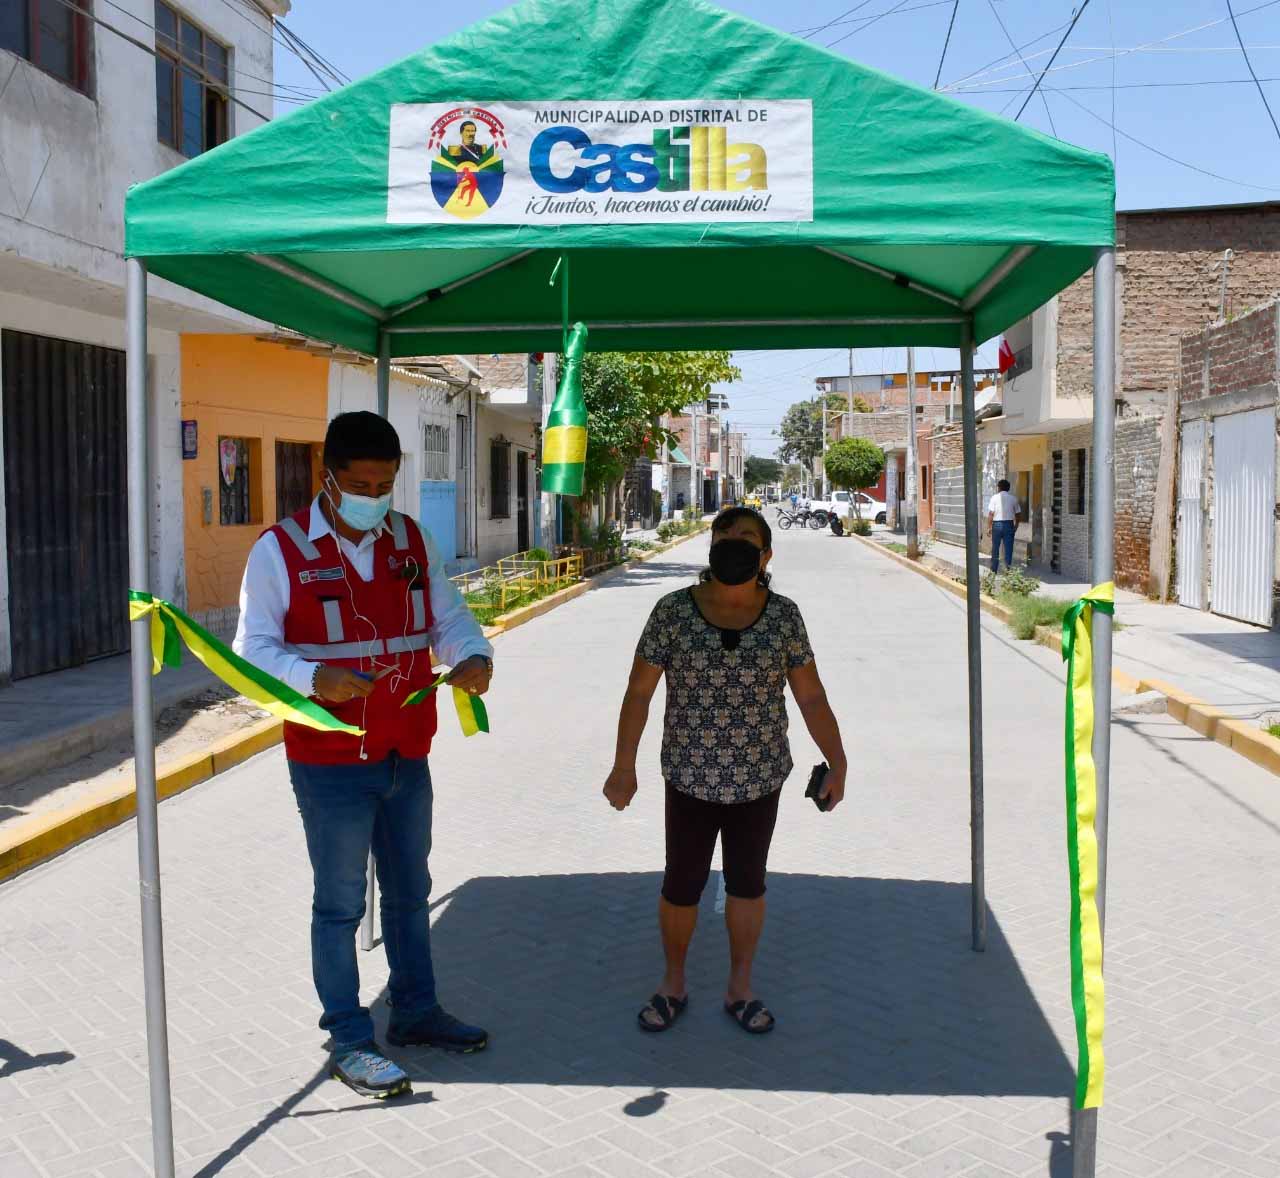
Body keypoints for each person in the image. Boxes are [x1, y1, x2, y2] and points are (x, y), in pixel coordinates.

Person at [233, 411, 494, 1100]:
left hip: (407, 749)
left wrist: (471, 653)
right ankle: (349, 1035)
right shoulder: (279, 550)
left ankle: (415, 1012)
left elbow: (447, 616)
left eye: (384, 483)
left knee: (411, 893)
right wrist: (313, 678)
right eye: (358, 483)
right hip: (329, 759)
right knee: (342, 904)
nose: (372, 496)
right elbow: (252, 648)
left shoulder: (411, 540)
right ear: (327, 477)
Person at [603, 507, 848, 1035]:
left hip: (760, 779)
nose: (733, 544)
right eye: (724, 535)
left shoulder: (783, 616)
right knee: (681, 884)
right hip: (689, 777)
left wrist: (839, 760)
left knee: (748, 884)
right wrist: (624, 766)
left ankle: (741, 987)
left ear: (766, 555)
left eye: (746, 538)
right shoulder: (672, 611)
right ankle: (673, 983)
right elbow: (638, 693)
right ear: (709, 544)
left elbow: (811, 696)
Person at [987, 478, 1022, 575]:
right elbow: (1018, 514)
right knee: (1008, 549)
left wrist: (989, 527)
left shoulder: (994, 498)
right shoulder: (1013, 498)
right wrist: (1016, 525)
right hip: (1009, 524)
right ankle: (1007, 570)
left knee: (995, 548)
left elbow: (991, 514)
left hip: (997, 525)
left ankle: (993, 570)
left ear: (999, 488)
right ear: (1008, 488)